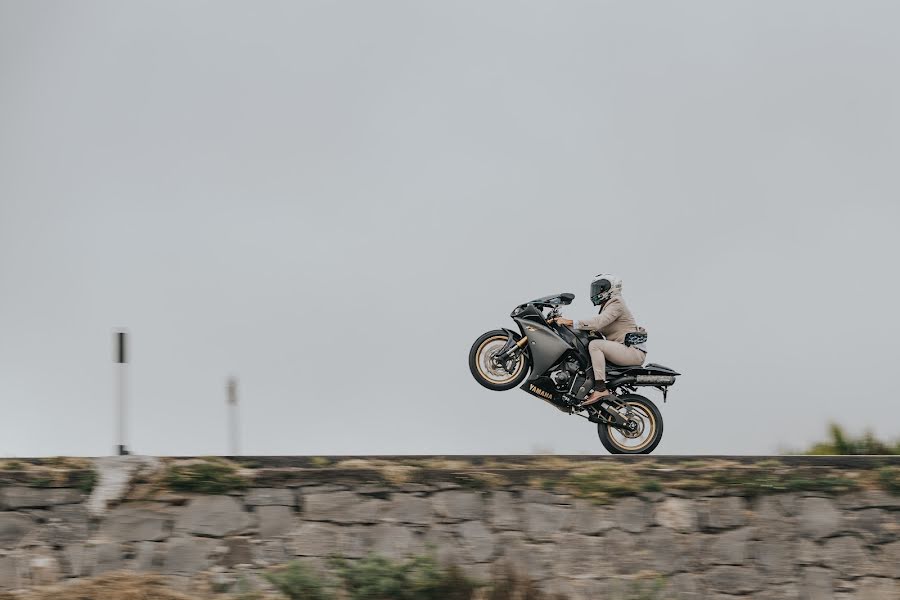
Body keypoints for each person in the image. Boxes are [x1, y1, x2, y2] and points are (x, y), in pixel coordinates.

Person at [553, 274, 647, 407]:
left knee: (595, 345)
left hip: (631, 352)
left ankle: (600, 389)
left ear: (611, 288)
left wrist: (569, 322)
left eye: (600, 288)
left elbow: (598, 323)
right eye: (596, 289)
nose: (597, 292)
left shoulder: (616, 302)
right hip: (623, 350)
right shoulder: (608, 306)